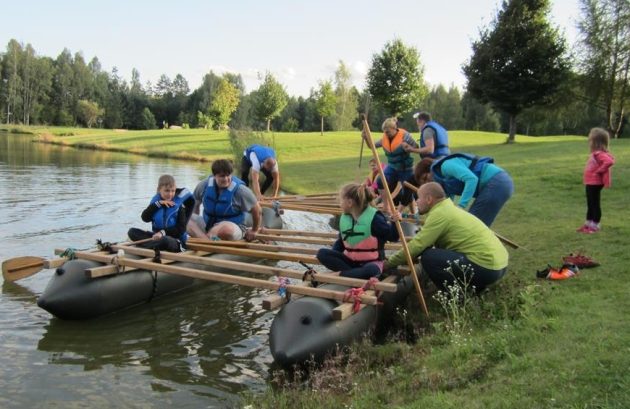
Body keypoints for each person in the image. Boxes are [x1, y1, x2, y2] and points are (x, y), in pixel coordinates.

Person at [384, 182, 508, 293]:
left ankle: (456, 296)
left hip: (487, 268)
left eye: (418, 198)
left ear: (428, 199)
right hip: (498, 265)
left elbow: (418, 245)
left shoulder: (439, 214)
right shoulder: (447, 208)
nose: (416, 202)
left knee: (429, 257)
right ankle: (476, 288)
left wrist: (389, 263)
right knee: (436, 252)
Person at [316, 183, 399, 279]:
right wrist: (334, 257)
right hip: (350, 262)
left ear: (350, 203)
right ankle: (354, 274)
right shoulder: (345, 219)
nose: (340, 204)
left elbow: (393, 237)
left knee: (371, 270)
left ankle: (342, 274)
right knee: (322, 253)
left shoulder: (375, 219)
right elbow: (340, 243)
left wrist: (395, 223)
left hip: (371, 263)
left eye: (341, 200)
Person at [414, 152, 513, 227]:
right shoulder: (443, 180)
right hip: (497, 183)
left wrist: (461, 206)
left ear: (430, 168)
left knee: (471, 226)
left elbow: (471, 179)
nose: (428, 182)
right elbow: (448, 201)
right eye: (424, 182)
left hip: (497, 182)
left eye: (426, 178)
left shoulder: (445, 166)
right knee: (472, 224)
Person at [188, 159, 262, 241]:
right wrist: (196, 223)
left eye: (228, 175)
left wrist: (254, 230)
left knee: (226, 230)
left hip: (233, 227)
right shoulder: (203, 185)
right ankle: (207, 239)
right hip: (207, 225)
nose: (226, 179)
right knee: (184, 218)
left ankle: (204, 239)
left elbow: (257, 210)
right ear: (214, 175)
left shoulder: (241, 191)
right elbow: (195, 204)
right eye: (222, 176)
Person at [363, 117, 418, 213]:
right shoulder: (384, 137)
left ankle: (411, 212)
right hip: (392, 167)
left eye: (388, 132)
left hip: (406, 168)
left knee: (407, 191)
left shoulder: (405, 136)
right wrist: (366, 138)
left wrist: (408, 147)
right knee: (380, 181)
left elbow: (416, 147)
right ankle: (386, 206)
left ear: (394, 128)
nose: (386, 134)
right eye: (384, 132)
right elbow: (372, 146)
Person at [128, 174, 195, 252]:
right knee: (132, 232)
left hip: (175, 241)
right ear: (159, 190)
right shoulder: (157, 204)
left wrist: (162, 233)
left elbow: (181, 230)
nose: (170, 194)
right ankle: (152, 246)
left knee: (165, 240)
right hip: (156, 237)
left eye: (173, 191)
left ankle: (145, 247)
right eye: (167, 190)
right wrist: (159, 204)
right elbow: (145, 218)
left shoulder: (179, 207)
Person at [577, 127, 615, 233]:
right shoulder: (595, 154)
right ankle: (588, 223)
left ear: (596, 142)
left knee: (594, 203)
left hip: (595, 183)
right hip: (590, 182)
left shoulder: (600, 154)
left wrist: (599, 171)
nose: (589, 143)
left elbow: (609, 162)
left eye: (591, 141)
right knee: (590, 203)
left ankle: (595, 225)